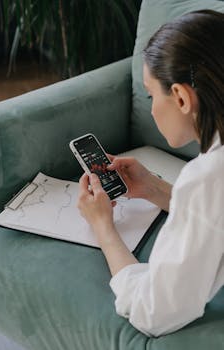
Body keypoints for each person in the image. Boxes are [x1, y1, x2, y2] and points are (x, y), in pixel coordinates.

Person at [77, 9, 224, 336]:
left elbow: (153, 312)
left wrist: (104, 228)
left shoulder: (209, 176)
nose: (150, 104)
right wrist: (155, 189)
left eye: (150, 94)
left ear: (182, 98)